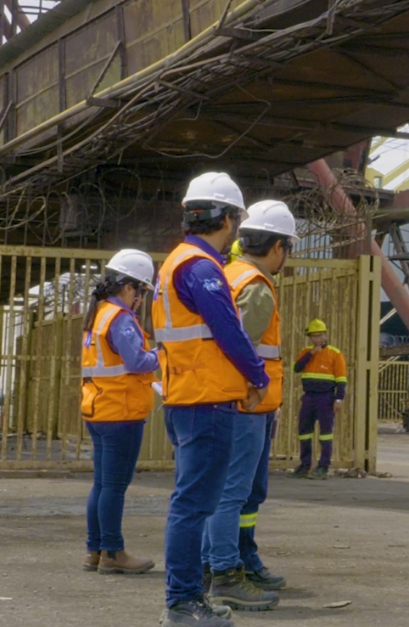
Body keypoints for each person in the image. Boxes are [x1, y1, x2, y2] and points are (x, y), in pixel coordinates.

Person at [154, 172, 271, 627]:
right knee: (193, 506)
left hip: (187, 397)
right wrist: (257, 375)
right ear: (226, 219)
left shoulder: (176, 262)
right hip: (205, 401)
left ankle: (185, 599)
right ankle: (183, 602)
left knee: (192, 503)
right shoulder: (201, 268)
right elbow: (229, 330)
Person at [203, 200, 297, 609]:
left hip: (237, 402)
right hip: (245, 403)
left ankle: (220, 565)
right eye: (287, 248)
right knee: (232, 492)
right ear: (276, 247)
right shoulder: (256, 286)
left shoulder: (228, 274)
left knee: (232, 491)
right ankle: (225, 572)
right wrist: (258, 384)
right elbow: (240, 347)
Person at [80, 248, 159, 576]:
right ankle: (113, 552)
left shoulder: (99, 314)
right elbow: (137, 361)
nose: (141, 300)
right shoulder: (120, 318)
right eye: (141, 292)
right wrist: (165, 354)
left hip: (99, 409)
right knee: (113, 486)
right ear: (129, 288)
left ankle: (95, 550)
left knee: (102, 485)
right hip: (121, 412)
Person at [292, 319, 348, 479]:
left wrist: (339, 399)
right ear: (310, 337)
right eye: (314, 336)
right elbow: (297, 368)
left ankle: (323, 466)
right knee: (304, 432)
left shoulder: (335, 353)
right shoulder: (306, 352)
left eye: (320, 335)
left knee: (325, 433)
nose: (317, 339)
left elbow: (341, 379)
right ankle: (305, 465)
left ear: (326, 335)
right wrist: (311, 353)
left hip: (326, 397)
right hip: (309, 396)